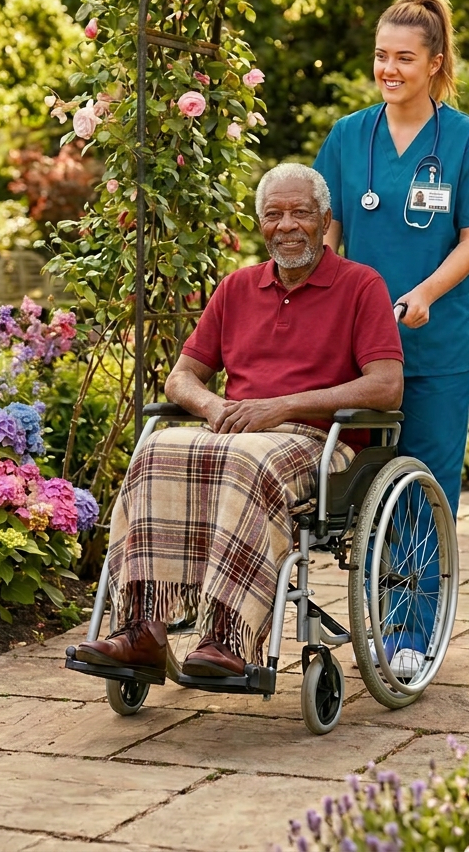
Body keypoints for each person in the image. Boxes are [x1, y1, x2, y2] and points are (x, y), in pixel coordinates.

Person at [73, 163, 404, 679]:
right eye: (274, 214)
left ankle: (229, 636)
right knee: (156, 451)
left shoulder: (361, 285)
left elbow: (386, 385)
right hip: (234, 432)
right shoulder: (236, 287)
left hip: (317, 439)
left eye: (301, 213)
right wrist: (211, 406)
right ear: (260, 224)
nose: (287, 225)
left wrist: (285, 405)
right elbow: (181, 378)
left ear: (325, 220)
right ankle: (142, 628)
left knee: (248, 461)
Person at [313, 0, 469, 665]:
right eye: (380, 57)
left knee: (421, 489)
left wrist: (424, 293)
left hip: (433, 345)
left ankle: (409, 633)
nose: (389, 69)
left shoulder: (465, 141)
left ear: (435, 62)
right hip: (358, 351)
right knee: (353, 488)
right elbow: (327, 234)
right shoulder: (346, 137)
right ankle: (364, 615)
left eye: (404, 57)